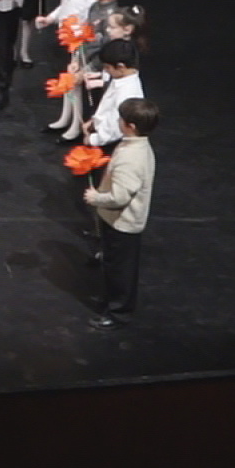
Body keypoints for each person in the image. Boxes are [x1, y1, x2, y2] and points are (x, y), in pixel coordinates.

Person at [82, 97, 158, 329]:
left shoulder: (130, 158)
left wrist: (96, 198)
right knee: (114, 265)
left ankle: (119, 313)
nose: (118, 122)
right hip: (118, 220)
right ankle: (112, 301)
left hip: (122, 223)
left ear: (131, 126)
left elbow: (120, 197)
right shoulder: (135, 145)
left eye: (121, 119)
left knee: (120, 270)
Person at [37, 0, 105, 136]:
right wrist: (50, 18)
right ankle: (65, 118)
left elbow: (91, 16)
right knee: (68, 78)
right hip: (67, 37)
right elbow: (65, 5)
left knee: (75, 81)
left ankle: (77, 124)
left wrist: (81, 34)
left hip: (81, 39)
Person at [81, 37, 145, 147]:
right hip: (101, 133)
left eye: (107, 67)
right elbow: (107, 107)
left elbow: (114, 128)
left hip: (109, 142)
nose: (106, 71)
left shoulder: (126, 94)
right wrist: (94, 121)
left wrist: (93, 140)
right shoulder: (120, 78)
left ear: (121, 67)